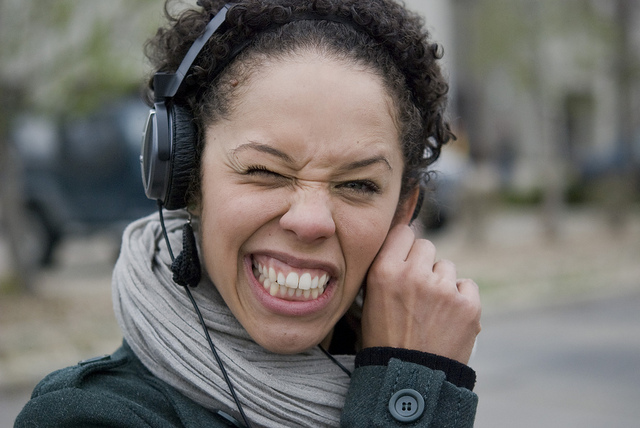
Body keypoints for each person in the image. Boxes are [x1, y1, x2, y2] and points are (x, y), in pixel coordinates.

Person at [15, 0, 481, 426]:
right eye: (264, 170)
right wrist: (409, 394)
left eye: (358, 184)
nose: (311, 220)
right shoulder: (86, 417)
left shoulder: (413, 367)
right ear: (186, 179)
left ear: (403, 210)